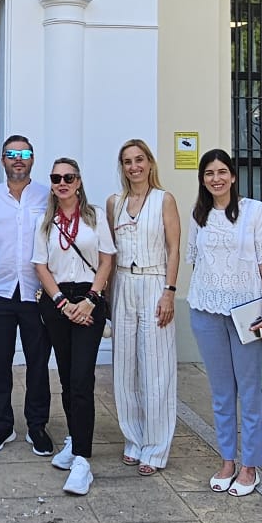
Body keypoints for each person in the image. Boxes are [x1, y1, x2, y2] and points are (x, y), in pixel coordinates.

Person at [183, 148, 262, 498]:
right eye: (209, 173)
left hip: (248, 315)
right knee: (221, 392)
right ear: (203, 180)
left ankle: (249, 465)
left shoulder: (254, 211)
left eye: (222, 171)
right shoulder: (198, 215)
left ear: (233, 176)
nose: (216, 178)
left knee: (250, 391)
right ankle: (227, 460)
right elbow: (196, 261)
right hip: (206, 311)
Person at [32, 158, 114, 496]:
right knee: (66, 377)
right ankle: (74, 437)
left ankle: (82, 459)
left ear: (79, 181)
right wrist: (62, 304)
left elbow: (107, 260)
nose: (62, 183)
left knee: (82, 378)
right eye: (56, 178)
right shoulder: (45, 222)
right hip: (58, 303)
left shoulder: (95, 217)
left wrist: (90, 300)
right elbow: (40, 265)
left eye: (69, 177)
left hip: (89, 299)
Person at [0, 135, 54, 456]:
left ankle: (37, 426)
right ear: (2, 159)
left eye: (24, 153)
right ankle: (2, 425)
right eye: (11, 154)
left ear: (32, 159)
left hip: (37, 293)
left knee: (38, 364)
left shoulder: (47, 196)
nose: (18, 158)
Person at [107, 138, 182, 475]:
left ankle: (156, 446)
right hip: (123, 283)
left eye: (139, 160)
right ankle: (133, 439)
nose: (134, 166)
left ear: (149, 163)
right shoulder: (115, 203)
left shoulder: (164, 200)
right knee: (125, 368)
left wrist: (169, 292)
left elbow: (174, 248)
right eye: (128, 161)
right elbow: (110, 253)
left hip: (154, 282)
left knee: (156, 367)